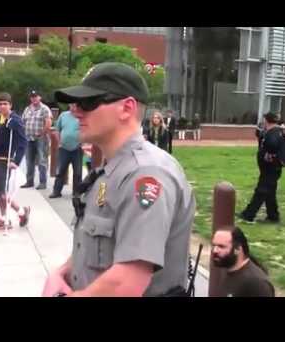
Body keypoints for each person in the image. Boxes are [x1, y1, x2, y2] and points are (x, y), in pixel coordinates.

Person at [42, 62, 195, 297]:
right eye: (75, 103)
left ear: (127, 108)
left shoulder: (146, 175)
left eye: (88, 102)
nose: (75, 111)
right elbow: (94, 246)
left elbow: (128, 282)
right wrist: (60, 273)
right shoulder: (112, 170)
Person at [0, 92, 30, 231]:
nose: (2, 106)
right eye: (0, 104)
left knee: (1, 192)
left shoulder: (15, 121)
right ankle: (8, 216)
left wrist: (16, 161)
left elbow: (23, 142)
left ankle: (17, 213)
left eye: (5, 104)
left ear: (10, 105)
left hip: (5, 161)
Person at [239, 112, 285, 224]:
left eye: (264, 120)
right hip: (270, 168)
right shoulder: (275, 132)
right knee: (270, 192)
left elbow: (272, 145)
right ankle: (273, 215)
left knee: (261, 191)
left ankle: (249, 214)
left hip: (270, 168)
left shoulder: (273, 133)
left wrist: (267, 153)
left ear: (267, 120)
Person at [212, 226, 275, 297]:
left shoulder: (257, 283)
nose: (215, 250)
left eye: (221, 246)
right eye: (214, 245)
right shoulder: (227, 270)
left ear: (238, 249)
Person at [49, 103, 83, 198]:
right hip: (64, 148)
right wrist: (59, 142)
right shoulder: (63, 115)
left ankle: (77, 193)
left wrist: (83, 142)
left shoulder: (81, 115)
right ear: (69, 105)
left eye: (75, 105)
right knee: (60, 171)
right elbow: (57, 130)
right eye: (72, 104)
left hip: (77, 148)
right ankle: (56, 191)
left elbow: (86, 129)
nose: (73, 107)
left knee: (77, 172)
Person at [20, 90, 52, 190]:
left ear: (40, 97)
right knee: (29, 161)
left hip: (41, 138)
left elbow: (48, 122)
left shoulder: (44, 108)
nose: (33, 98)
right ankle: (29, 181)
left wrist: (42, 133)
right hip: (28, 138)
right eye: (32, 97)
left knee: (42, 160)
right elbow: (23, 122)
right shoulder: (27, 109)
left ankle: (43, 182)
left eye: (35, 96)